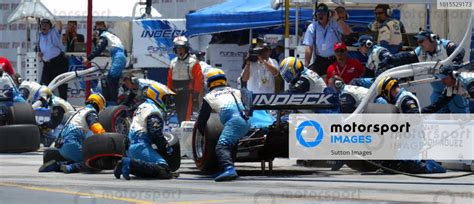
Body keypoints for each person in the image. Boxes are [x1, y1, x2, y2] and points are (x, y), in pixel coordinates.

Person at [375, 76, 446, 174]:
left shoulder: (405, 99)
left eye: (384, 95)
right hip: (404, 141)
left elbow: (415, 117)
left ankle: (430, 164)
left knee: (405, 167)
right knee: (387, 165)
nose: (385, 99)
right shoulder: (399, 99)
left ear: (387, 90)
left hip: (412, 141)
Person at [388, 30, 466, 113]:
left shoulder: (445, 45)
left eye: (421, 41)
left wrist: (453, 66)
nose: (419, 44)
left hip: (454, 89)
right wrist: (390, 59)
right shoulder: (420, 52)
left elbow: (460, 51)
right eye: (418, 42)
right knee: (439, 120)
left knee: (461, 119)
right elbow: (405, 57)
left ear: (432, 38)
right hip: (438, 91)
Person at [197, 68, 250, 181]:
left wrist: (202, 134)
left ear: (209, 82)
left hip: (234, 121)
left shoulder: (209, 96)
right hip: (246, 120)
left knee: (222, 146)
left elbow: (202, 119)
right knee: (231, 143)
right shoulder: (235, 91)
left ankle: (229, 169)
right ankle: (225, 168)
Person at [114, 83, 175, 180]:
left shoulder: (142, 106)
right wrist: (166, 147)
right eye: (165, 99)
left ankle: (127, 165)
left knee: (149, 170)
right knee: (165, 171)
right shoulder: (153, 110)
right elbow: (155, 133)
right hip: (141, 146)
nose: (167, 102)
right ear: (157, 96)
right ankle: (128, 163)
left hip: (130, 146)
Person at [38, 93, 106, 173]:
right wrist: (106, 138)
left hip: (60, 146)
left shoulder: (78, 111)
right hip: (71, 144)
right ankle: (69, 167)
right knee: (94, 162)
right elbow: (96, 128)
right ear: (98, 105)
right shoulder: (91, 112)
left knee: (79, 156)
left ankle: (57, 164)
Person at [83, 22, 126, 106]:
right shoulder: (111, 35)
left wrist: (88, 58)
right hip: (119, 57)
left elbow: (99, 48)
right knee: (111, 80)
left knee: (111, 79)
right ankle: (111, 102)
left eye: (96, 33)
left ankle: (112, 104)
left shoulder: (104, 36)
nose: (96, 36)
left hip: (118, 57)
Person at [303, 3, 351, 76]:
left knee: (335, 82)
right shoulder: (312, 27)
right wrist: (306, 64)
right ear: (316, 15)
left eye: (323, 14)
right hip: (320, 60)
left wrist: (337, 18)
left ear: (328, 15)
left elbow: (347, 32)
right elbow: (309, 47)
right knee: (310, 78)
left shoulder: (335, 24)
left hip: (335, 60)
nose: (320, 16)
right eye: (319, 14)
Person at [167, 36, 203, 123]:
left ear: (186, 49)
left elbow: (198, 79)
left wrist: (196, 93)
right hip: (175, 92)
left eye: (182, 48)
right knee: (178, 114)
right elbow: (170, 78)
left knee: (185, 115)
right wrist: (168, 92)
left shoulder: (193, 61)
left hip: (187, 93)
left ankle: (186, 134)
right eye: (178, 49)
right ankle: (180, 132)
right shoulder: (173, 62)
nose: (180, 51)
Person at [37, 19, 68, 100]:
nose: (44, 26)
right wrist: (39, 53)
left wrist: (54, 15)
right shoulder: (40, 36)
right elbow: (39, 49)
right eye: (42, 24)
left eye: (46, 25)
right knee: (44, 87)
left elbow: (59, 24)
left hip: (59, 63)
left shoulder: (54, 32)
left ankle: (63, 108)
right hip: (47, 65)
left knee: (62, 88)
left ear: (50, 26)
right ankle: (48, 106)